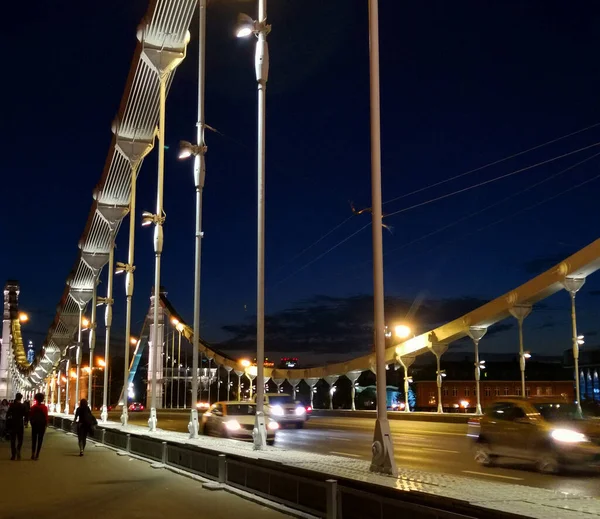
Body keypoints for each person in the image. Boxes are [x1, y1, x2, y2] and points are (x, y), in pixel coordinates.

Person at [6, 393, 27, 460]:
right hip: (20, 423)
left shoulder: (12, 405)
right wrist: (25, 422)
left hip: (13, 423)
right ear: (21, 398)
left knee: (13, 440)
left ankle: (13, 455)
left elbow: (8, 414)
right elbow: (25, 414)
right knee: (20, 439)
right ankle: (18, 449)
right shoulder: (22, 406)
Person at [29, 393, 48, 460]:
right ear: (42, 399)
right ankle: (37, 455)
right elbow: (46, 417)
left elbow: (30, 416)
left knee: (34, 440)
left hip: (35, 425)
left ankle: (33, 453)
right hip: (42, 425)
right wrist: (46, 425)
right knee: (40, 440)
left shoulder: (33, 407)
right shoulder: (45, 407)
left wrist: (32, 423)